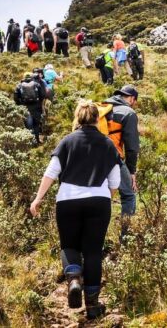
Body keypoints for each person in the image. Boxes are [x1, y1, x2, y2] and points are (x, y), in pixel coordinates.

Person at [29, 100, 121, 320]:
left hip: (68, 201)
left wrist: (38, 198)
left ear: (77, 118)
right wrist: (106, 197)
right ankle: (92, 305)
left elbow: (51, 172)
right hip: (99, 202)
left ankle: (73, 280)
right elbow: (115, 182)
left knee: (69, 245)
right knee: (92, 251)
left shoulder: (67, 141)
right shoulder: (108, 144)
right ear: (97, 119)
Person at [102, 85, 140, 241]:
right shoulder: (128, 113)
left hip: (90, 158)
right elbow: (132, 147)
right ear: (131, 98)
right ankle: (126, 237)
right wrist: (132, 172)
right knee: (129, 196)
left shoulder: (102, 107)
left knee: (99, 196)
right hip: (112, 158)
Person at [14, 72, 45, 144]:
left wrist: (20, 104)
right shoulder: (36, 84)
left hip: (25, 107)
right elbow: (42, 95)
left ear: (23, 77)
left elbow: (15, 98)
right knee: (36, 124)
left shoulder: (19, 86)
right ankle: (37, 140)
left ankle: (30, 142)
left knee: (28, 125)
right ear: (32, 77)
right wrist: (39, 103)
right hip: (36, 107)